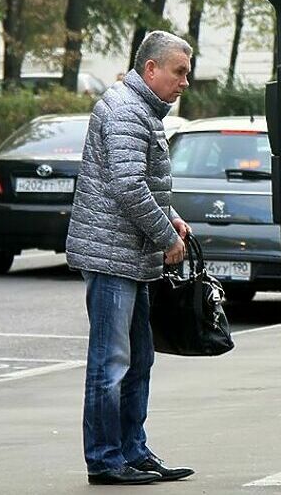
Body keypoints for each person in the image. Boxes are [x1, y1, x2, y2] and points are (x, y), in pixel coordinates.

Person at [65, 31, 195, 486]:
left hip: (129, 256)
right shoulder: (126, 111)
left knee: (138, 360)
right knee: (111, 363)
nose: (184, 83)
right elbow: (127, 187)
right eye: (179, 72)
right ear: (151, 69)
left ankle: (133, 452)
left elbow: (142, 181)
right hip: (112, 256)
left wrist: (171, 217)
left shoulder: (142, 109)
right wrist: (166, 236)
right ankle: (105, 459)